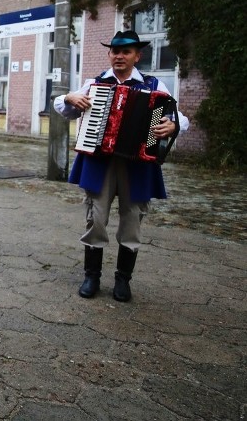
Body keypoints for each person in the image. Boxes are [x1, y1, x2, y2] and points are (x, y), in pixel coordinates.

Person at [54, 30, 188, 303]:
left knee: (132, 221)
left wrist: (173, 125)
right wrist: (69, 97)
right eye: (115, 51)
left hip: (138, 165)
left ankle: (123, 280)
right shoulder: (95, 83)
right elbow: (62, 107)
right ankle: (91, 276)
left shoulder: (154, 86)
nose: (119, 56)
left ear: (137, 56)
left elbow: (181, 119)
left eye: (126, 52)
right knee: (96, 218)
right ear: (109, 54)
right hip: (100, 162)